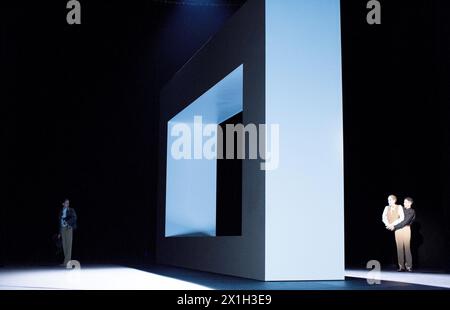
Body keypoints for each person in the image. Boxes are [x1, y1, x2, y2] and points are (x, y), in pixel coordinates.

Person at [382, 194, 405, 271]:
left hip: (397, 228)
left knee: (398, 247)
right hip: (388, 228)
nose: (389, 201)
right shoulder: (386, 207)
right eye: (388, 200)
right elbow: (383, 217)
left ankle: (400, 266)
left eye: (390, 200)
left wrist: (392, 225)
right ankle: (388, 263)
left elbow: (402, 218)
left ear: (394, 200)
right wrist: (388, 225)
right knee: (388, 246)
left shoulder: (399, 207)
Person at [392, 197, 416, 272]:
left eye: (405, 202)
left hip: (406, 229)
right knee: (399, 248)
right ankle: (401, 267)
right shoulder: (401, 209)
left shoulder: (412, 211)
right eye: (404, 202)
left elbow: (405, 221)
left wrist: (394, 226)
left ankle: (408, 266)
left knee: (407, 248)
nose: (404, 203)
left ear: (410, 203)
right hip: (398, 230)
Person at [58, 199, 77, 266]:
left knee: (69, 245)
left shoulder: (71, 210)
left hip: (68, 228)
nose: (67, 204)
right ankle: (66, 261)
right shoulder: (61, 211)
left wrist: (67, 222)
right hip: (63, 229)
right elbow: (59, 222)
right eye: (66, 203)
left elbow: (74, 218)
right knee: (64, 245)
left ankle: (67, 262)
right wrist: (59, 232)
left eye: (68, 203)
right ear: (63, 204)